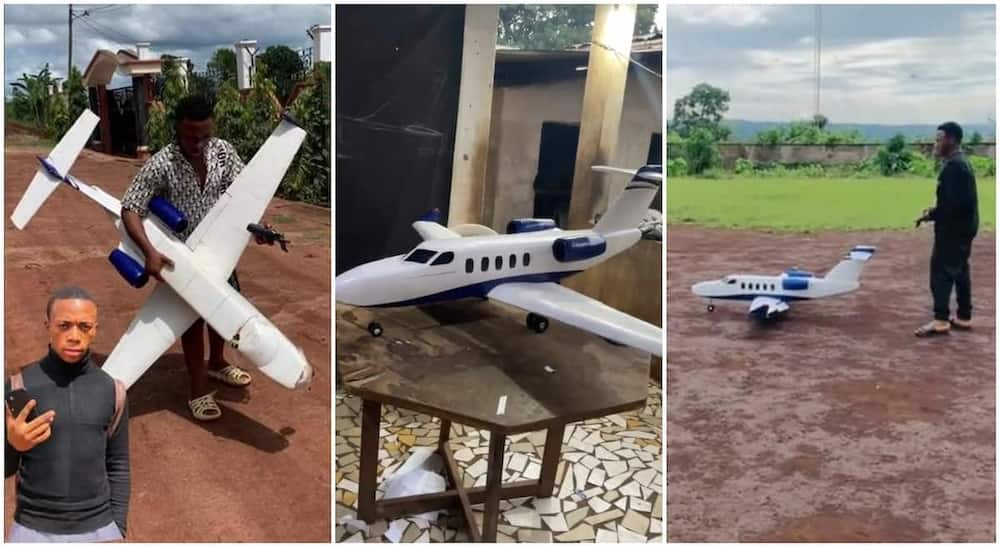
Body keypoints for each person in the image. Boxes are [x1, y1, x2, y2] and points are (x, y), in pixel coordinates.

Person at [121, 95, 272, 421]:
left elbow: (244, 193)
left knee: (224, 309)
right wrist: (150, 252)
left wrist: (258, 228)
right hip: (182, 257)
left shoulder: (223, 152)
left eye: (204, 135)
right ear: (178, 129)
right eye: (191, 136)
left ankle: (217, 362)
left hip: (220, 252)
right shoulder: (162, 163)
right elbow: (130, 208)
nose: (199, 143)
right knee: (192, 322)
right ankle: (197, 388)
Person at [5, 286, 129, 542]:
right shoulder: (19, 387)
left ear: (94, 329)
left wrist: (118, 527)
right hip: (33, 529)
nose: (74, 336)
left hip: (100, 527)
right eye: (64, 325)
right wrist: (13, 445)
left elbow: (118, 465)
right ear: (48, 326)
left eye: (84, 327)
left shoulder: (112, 390)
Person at [914, 121, 979, 337]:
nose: (935, 143)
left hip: (953, 230)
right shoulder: (961, 163)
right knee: (960, 271)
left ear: (951, 140)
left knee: (940, 272)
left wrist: (931, 214)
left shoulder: (954, 167)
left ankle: (941, 320)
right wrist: (935, 211)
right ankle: (963, 316)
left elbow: (951, 205)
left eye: (939, 139)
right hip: (964, 228)